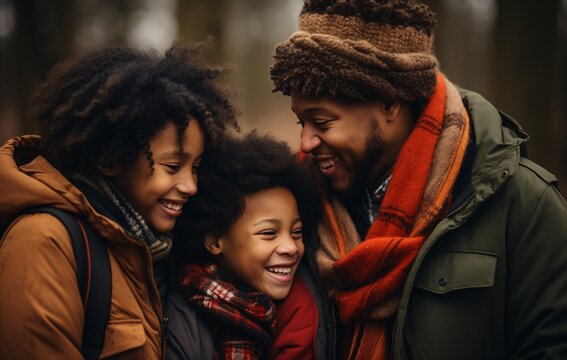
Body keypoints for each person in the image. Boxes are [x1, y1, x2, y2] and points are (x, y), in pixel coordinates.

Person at [270, 0, 567, 359]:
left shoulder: (525, 206)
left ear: (391, 103)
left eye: (323, 122)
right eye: (302, 122)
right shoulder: (294, 208)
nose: (305, 143)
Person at [0, 43, 238, 359]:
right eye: (172, 166)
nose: (190, 185)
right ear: (111, 158)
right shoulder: (44, 243)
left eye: (195, 167)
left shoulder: (163, 248)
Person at [166, 132, 327, 359]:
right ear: (215, 241)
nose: (290, 247)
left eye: (296, 232)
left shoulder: (303, 309)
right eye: (269, 233)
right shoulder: (177, 319)